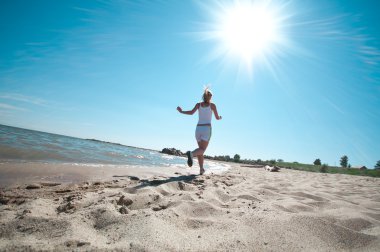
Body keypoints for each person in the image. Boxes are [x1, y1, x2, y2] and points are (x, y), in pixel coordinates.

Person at [177, 88, 222, 175]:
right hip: (206, 129)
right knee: (202, 150)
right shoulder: (212, 105)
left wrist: (181, 111)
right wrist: (220, 117)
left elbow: (191, 112)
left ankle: (201, 169)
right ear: (210, 97)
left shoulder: (198, 105)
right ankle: (191, 154)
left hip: (198, 129)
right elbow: (217, 118)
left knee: (200, 151)